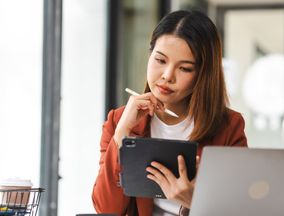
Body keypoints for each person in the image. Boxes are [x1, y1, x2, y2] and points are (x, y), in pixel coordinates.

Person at [92, 10, 247, 216]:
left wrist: (197, 202)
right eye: (160, 60)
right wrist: (122, 133)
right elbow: (105, 210)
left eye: (184, 68)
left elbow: (240, 209)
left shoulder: (229, 127)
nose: (167, 76)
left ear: (203, 75)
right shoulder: (119, 121)